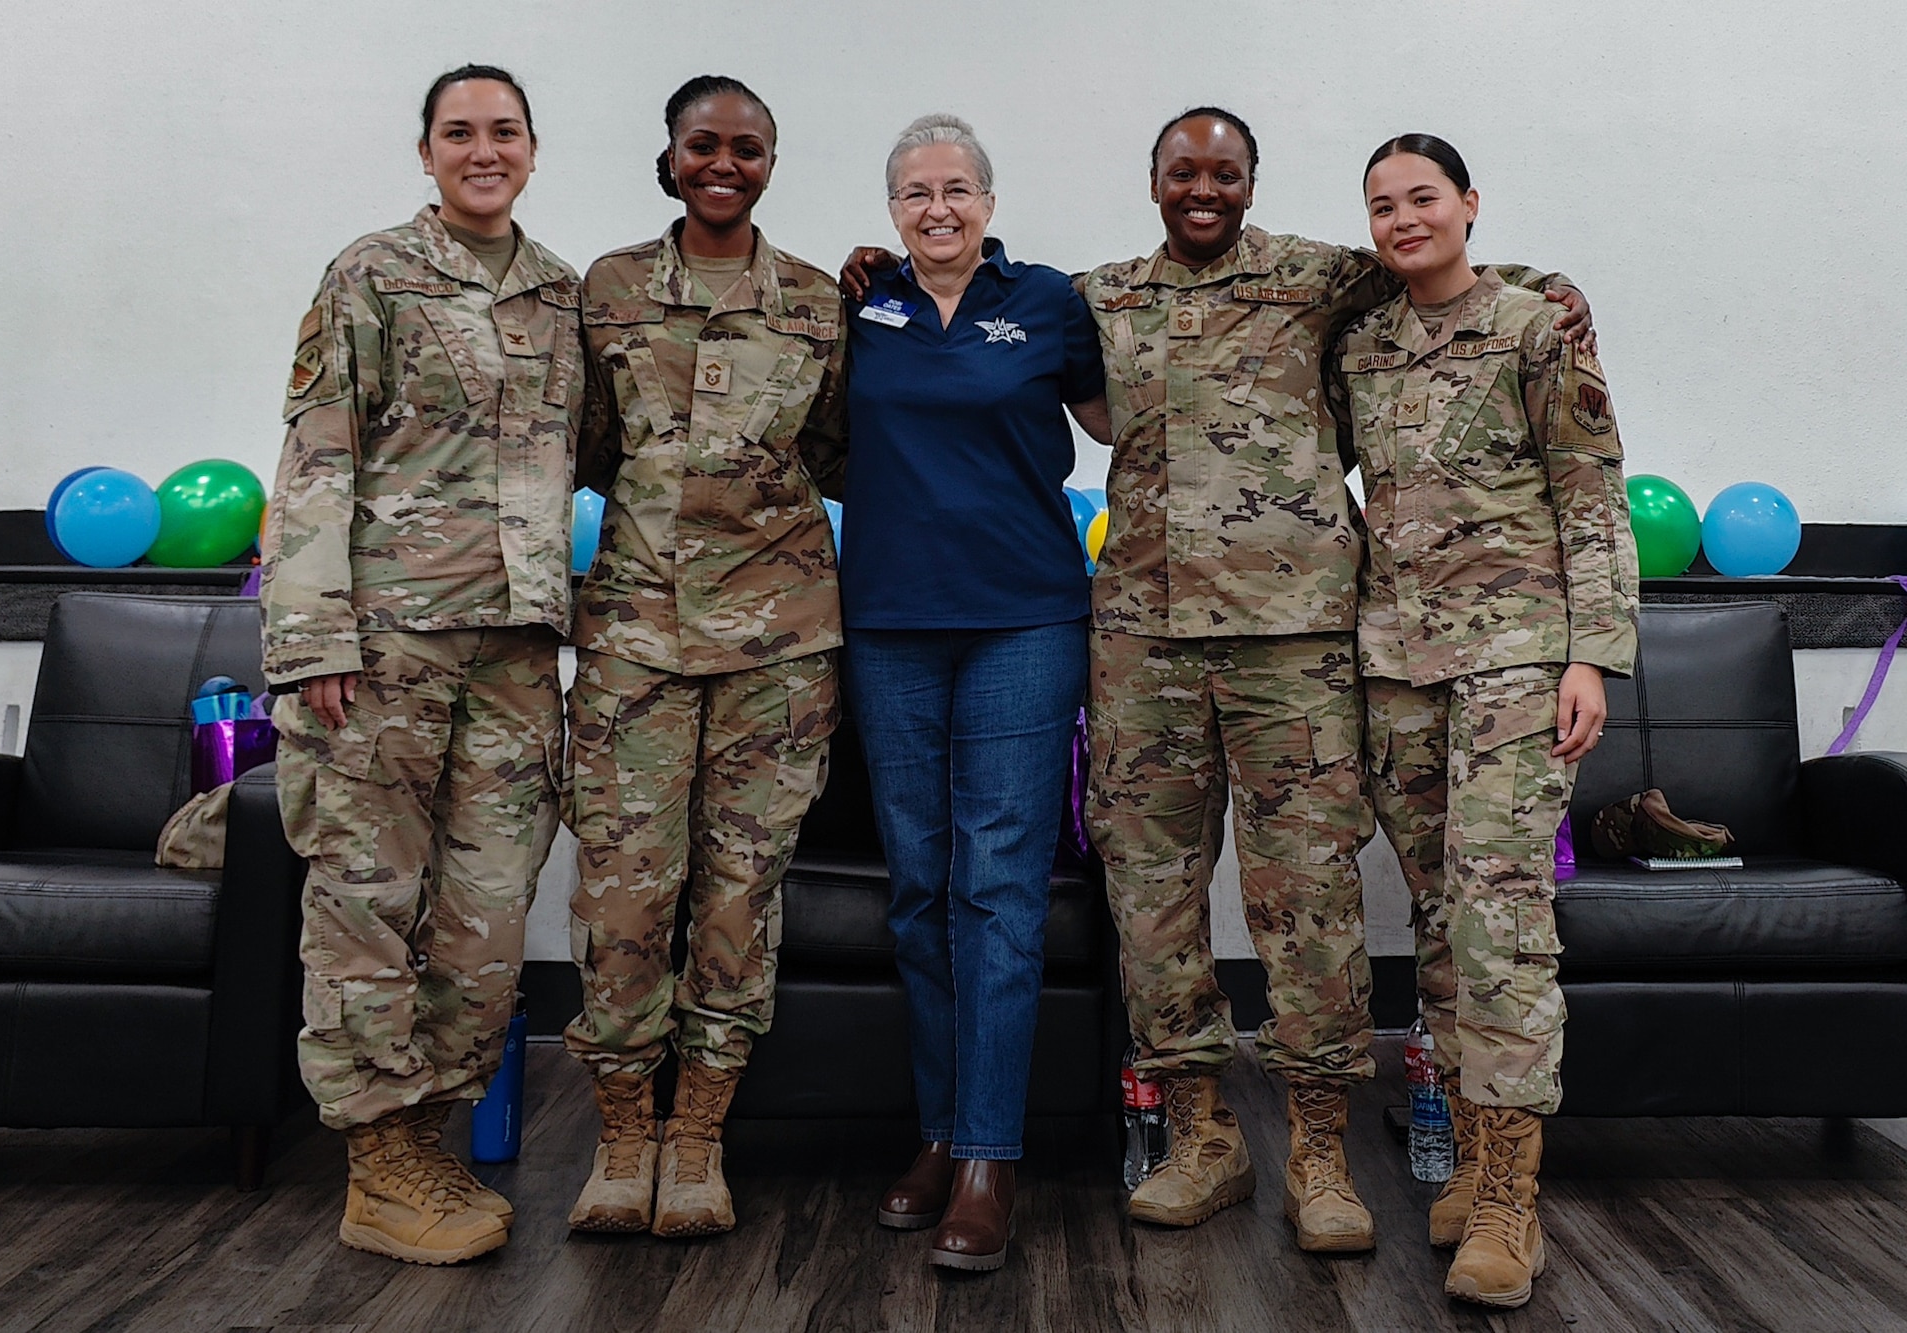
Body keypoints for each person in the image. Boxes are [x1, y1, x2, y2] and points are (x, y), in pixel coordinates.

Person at [1076, 108, 1593, 1251]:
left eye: (1224, 172)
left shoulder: (1321, 280)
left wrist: (1549, 291)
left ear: (1252, 183)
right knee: (1149, 893)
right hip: (1140, 644)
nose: (1201, 189)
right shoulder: (1098, 294)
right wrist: (878, 266)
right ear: (1152, 181)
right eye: (1181, 172)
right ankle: (1204, 1132)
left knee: (1305, 896)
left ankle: (1317, 1145)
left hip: (1295, 642)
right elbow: (987, 310)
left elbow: (1447, 283)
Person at [261, 64, 583, 1265]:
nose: (482, 150)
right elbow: (313, 456)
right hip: (384, 642)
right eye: (460, 132)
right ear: (427, 151)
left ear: (533, 150)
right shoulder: (370, 275)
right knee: (366, 901)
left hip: (511, 650)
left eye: (503, 131)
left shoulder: (557, 293)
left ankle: (430, 1136)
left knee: (488, 912)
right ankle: (378, 1161)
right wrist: (311, 642)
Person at [1331, 134, 1635, 1308]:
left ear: (1467, 204)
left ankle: (1510, 1195)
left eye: (1422, 199)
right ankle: (1461, 1154)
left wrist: (1592, 656)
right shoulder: (1358, 343)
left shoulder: (1534, 324)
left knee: (1502, 913)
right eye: (1380, 206)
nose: (1402, 220)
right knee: (1441, 908)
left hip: (1515, 658)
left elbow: (1590, 484)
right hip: (1393, 664)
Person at [561, 75, 846, 1241]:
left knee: (738, 896)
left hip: (778, 648)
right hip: (634, 638)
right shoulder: (609, 290)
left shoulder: (820, 301)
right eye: (703, 145)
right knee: (624, 893)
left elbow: (835, 454)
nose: (725, 163)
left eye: (748, 149)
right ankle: (624, 1129)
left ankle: (697, 1136)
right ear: (668, 158)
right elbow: (583, 445)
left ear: (770, 164)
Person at [836, 114, 1110, 1274]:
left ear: (988, 202)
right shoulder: (852, 310)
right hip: (889, 626)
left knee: (997, 885)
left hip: (1023, 622)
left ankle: (990, 1158)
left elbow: (1129, 424)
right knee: (915, 888)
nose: (934, 208)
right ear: (890, 209)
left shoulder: (1048, 300)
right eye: (912, 192)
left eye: (954, 188)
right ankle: (939, 1132)